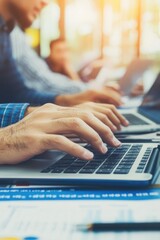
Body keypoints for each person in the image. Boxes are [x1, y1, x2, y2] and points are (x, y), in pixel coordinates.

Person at [0, 0, 128, 165]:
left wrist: (66, 103)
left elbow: (15, 93)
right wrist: (9, 138)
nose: (45, 2)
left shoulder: (5, 29)